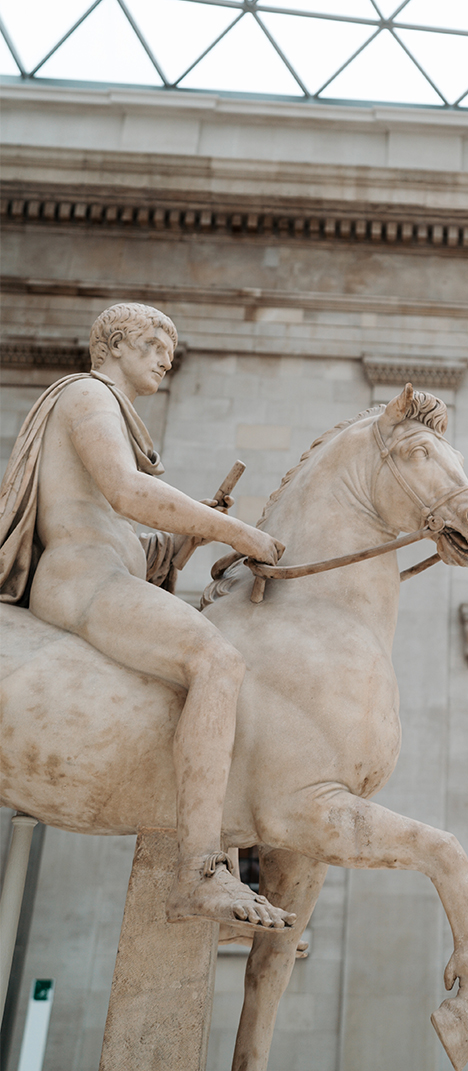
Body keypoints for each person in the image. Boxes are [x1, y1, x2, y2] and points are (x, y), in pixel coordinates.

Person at [0, 302, 295, 933]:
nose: (166, 355)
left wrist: (185, 544)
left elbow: (123, 534)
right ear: (112, 343)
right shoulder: (87, 394)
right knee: (215, 659)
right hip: (83, 580)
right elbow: (127, 492)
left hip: (105, 570)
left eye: (170, 344)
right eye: (153, 341)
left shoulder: (106, 408)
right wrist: (239, 532)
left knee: (208, 690)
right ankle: (196, 871)